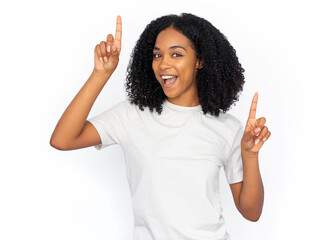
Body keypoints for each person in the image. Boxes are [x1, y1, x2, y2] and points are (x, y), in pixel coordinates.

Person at [50, 13, 271, 240]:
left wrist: (250, 156)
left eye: (176, 54)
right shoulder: (133, 114)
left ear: (199, 60)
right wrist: (100, 74)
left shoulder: (227, 128)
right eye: (157, 55)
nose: (163, 64)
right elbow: (62, 139)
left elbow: (251, 212)